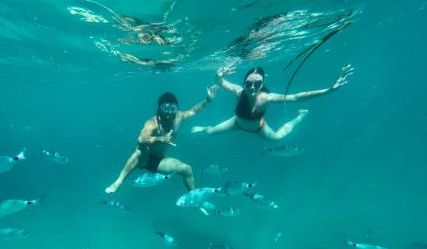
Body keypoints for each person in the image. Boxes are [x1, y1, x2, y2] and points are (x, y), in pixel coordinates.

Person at [191, 64, 353, 139]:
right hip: (236, 123)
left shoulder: (267, 98)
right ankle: (206, 127)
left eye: (257, 84)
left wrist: (329, 90)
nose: (252, 87)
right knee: (210, 132)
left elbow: (296, 97)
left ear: (262, 85)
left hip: (258, 128)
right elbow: (220, 82)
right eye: (249, 83)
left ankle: (299, 117)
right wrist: (219, 74)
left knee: (277, 138)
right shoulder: (239, 91)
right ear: (243, 83)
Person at [105, 87, 217, 194]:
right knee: (138, 151)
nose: (169, 113)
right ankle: (118, 181)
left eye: (172, 109)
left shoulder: (179, 117)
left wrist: (207, 100)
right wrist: (160, 138)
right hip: (143, 158)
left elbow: (194, 110)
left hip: (158, 161)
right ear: (160, 108)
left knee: (187, 169)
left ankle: (193, 195)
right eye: (165, 108)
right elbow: (141, 139)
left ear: (176, 108)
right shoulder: (152, 123)